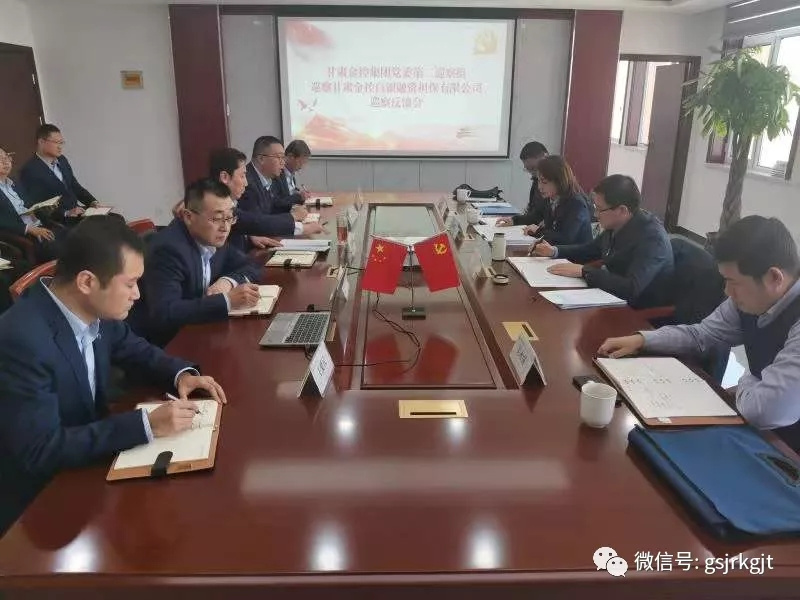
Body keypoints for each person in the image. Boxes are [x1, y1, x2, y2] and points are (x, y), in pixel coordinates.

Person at [0, 215, 227, 535]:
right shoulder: (22, 339)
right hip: (41, 505)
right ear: (87, 282)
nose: (138, 295)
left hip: (89, 459)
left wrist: (180, 374)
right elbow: (40, 450)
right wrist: (145, 425)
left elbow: (135, 349)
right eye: (130, 284)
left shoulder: (92, 308)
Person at [599, 216, 800, 449]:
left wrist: (750, 378)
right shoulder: (748, 300)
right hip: (760, 431)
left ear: (774, 278)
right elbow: (702, 335)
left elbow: (767, 410)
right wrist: (643, 339)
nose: (727, 292)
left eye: (734, 282)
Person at [128, 178, 262, 347]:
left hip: (200, 329)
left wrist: (227, 282)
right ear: (188, 217)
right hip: (167, 343)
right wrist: (226, 301)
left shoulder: (213, 238)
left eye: (229, 218)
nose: (225, 227)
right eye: (217, 218)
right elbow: (166, 312)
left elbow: (251, 265)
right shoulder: (168, 249)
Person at [530, 174, 673, 308]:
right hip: (609, 296)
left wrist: (585, 272)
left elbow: (631, 288)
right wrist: (554, 251)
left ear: (622, 210)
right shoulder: (617, 223)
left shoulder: (653, 239)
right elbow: (590, 249)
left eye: (599, 209)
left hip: (637, 311)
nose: (595, 214)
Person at [171, 148, 284, 252]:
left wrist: (249, 237)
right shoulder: (204, 206)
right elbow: (256, 221)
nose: (246, 183)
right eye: (242, 176)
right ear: (225, 177)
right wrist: (292, 221)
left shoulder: (234, 200)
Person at [239, 136, 322, 237]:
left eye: (283, 158)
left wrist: (293, 215)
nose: (283, 162)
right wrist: (294, 219)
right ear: (261, 159)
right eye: (279, 157)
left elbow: (272, 208)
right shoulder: (248, 183)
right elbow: (258, 224)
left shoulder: (265, 179)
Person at [19, 124, 98, 221]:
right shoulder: (30, 170)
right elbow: (37, 205)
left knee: (111, 219)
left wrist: (92, 202)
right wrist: (66, 213)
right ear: (41, 142)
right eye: (57, 143)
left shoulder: (62, 160)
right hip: (58, 219)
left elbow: (74, 186)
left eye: (62, 143)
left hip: (77, 212)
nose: (60, 147)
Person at [0, 148, 62, 263]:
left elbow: (30, 206)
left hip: (40, 225)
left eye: (7, 157)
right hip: (22, 234)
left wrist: (45, 210)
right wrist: (28, 229)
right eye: (0, 159)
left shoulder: (15, 183)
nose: (5, 162)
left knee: (74, 238)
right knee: (59, 251)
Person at [518, 155, 592, 245]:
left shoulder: (576, 203)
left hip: (573, 253)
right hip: (553, 250)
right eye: (539, 181)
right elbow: (534, 217)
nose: (540, 187)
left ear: (559, 181)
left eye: (544, 182)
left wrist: (538, 231)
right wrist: (513, 220)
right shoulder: (550, 198)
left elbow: (566, 239)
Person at [496, 141, 549, 227]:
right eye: (528, 169)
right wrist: (514, 220)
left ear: (545, 157)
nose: (532, 173)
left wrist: (540, 230)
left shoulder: (566, 199)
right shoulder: (536, 180)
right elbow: (535, 214)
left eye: (533, 168)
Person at [279, 139, 313, 206]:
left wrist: (299, 192)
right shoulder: (277, 174)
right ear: (290, 157)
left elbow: (290, 191)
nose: (302, 166)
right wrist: (298, 197)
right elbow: (277, 201)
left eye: (304, 162)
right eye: (300, 162)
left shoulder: (291, 174)